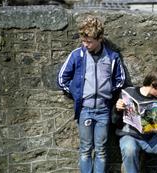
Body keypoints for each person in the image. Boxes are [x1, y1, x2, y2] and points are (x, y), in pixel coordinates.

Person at [57, 16, 126, 173]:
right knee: (85, 149)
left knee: (101, 150)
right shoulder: (77, 55)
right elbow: (62, 79)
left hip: (103, 112)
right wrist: (76, 94)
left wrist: (108, 91)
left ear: (100, 38)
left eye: (89, 42)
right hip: (85, 110)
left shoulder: (112, 57)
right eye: (83, 41)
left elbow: (120, 80)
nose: (85, 44)